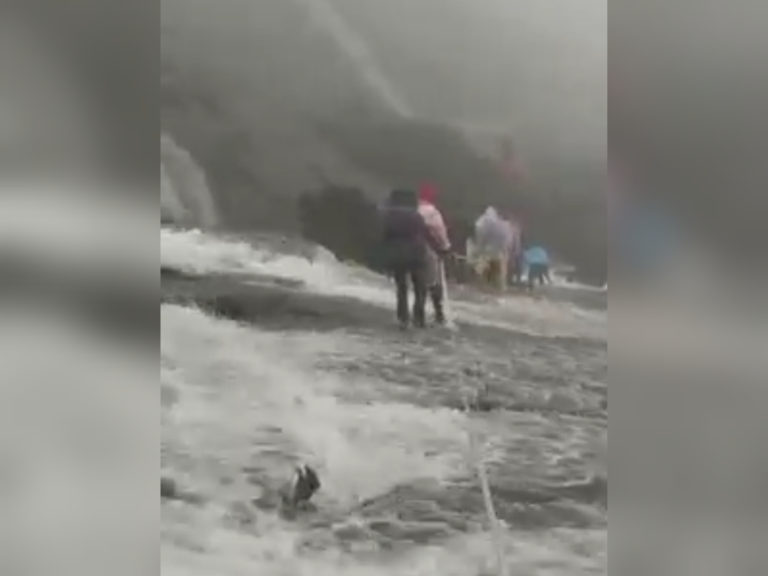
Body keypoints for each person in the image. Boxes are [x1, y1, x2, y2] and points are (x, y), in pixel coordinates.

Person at [381, 189, 441, 329]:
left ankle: (403, 318)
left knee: (401, 288)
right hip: (417, 255)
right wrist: (440, 248)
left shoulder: (390, 216)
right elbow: (427, 235)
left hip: (398, 256)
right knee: (420, 288)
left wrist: (386, 260)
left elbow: (385, 239)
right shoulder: (416, 216)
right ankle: (418, 319)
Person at [417, 182, 451, 325]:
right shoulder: (432, 212)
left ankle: (416, 314)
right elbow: (440, 231)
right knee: (434, 283)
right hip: (430, 251)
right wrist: (446, 247)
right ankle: (438, 314)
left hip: (413, 249)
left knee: (418, 283)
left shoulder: (415, 209)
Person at [473, 207, 513, 291]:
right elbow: (508, 241)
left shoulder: (483, 222)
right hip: (500, 253)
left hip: (487, 252)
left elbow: (480, 238)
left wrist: (479, 250)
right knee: (499, 275)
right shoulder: (504, 225)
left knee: (482, 272)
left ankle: (483, 288)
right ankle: (499, 290)